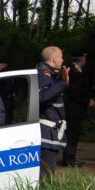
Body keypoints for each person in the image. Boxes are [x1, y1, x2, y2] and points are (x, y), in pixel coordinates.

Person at [37, 46, 70, 180]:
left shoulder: (51, 75)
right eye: (61, 56)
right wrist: (62, 83)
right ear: (55, 58)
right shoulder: (44, 74)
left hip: (51, 132)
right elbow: (43, 97)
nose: (63, 59)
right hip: (46, 132)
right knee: (45, 176)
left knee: (47, 174)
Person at [61, 50, 95, 167]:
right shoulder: (74, 72)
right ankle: (69, 159)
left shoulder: (75, 70)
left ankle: (69, 157)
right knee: (72, 134)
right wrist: (88, 101)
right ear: (82, 58)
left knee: (72, 134)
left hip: (73, 109)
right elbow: (75, 92)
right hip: (73, 109)